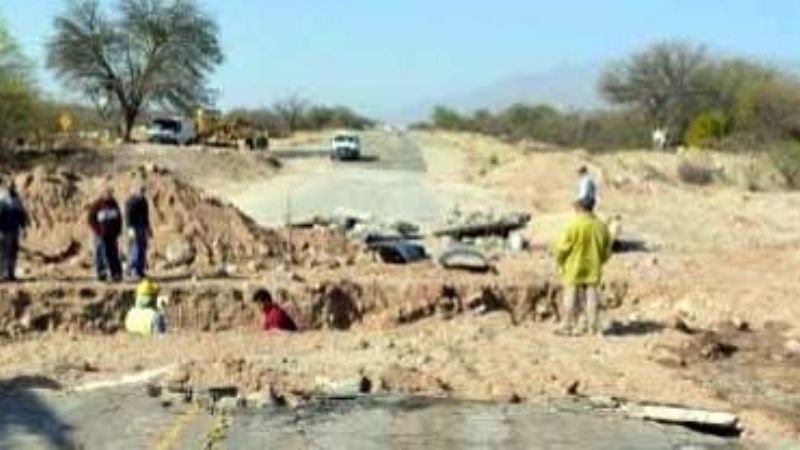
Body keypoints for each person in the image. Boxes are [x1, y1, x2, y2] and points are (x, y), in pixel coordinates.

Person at [554, 200, 612, 336]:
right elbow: (607, 251)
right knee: (592, 296)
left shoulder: (572, 226)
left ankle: (567, 326)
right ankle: (593, 327)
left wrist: (560, 262)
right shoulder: (601, 227)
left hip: (573, 267)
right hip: (593, 267)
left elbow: (562, 248)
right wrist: (600, 260)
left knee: (570, 296)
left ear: (579, 208)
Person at [88, 187, 123, 282]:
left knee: (114, 254)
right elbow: (91, 220)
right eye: (108, 193)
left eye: (111, 194)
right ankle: (101, 274)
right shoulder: (96, 205)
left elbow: (119, 219)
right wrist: (98, 231)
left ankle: (116, 274)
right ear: (103, 194)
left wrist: (118, 230)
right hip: (100, 235)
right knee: (100, 254)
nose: (110, 195)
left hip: (112, 235)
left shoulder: (114, 204)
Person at [0, 180, 29, 281]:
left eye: (12, 187)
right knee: (4, 253)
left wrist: (24, 229)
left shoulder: (17, 200)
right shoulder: (2, 199)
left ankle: (11, 274)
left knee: (13, 252)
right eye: (9, 187)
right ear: (6, 188)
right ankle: (3, 274)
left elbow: (22, 216)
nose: (10, 188)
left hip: (14, 231)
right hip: (5, 231)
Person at [125, 184, 152, 280]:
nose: (142, 193)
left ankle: (140, 270)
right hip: (134, 227)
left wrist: (148, 228)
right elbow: (128, 216)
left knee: (142, 248)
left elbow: (146, 216)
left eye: (143, 191)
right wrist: (130, 229)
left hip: (142, 227)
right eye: (141, 190)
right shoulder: (130, 201)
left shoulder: (144, 201)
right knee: (134, 248)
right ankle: (133, 270)